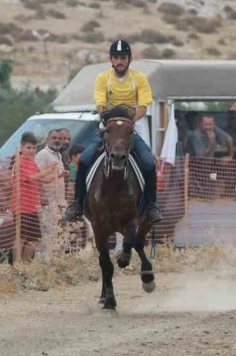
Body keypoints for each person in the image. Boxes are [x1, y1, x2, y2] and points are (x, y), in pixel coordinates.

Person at [63, 40, 162, 223]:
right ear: (110, 59)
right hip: (108, 124)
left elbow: (143, 105)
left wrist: (129, 122)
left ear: (130, 59)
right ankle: (76, 203)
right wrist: (110, 121)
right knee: (85, 159)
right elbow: (100, 105)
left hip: (133, 123)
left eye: (123, 58)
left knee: (148, 163)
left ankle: (152, 206)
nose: (119, 61)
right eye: (116, 58)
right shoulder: (103, 78)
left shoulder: (139, 78)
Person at [12, 132, 59, 262]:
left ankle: (25, 264)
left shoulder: (32, 163)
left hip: (32, 207)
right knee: (20, 237)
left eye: (34, 148)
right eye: (28, 147)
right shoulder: (20, 162)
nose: (32, 150)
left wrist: (58, 176)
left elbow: (42, 179)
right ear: (21, 148)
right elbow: (32, 177)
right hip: (21, 206)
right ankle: (16, 264)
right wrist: (49, 170)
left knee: (34, 239)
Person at [35, 129, 67, 208]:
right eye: (54, 138)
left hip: (58, 202)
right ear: (47, 140)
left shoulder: (59, 155)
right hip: (47, 202)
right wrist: (42, 196)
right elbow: (37, 177)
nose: (57, 140)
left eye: (59, 138)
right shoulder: (43, 154)